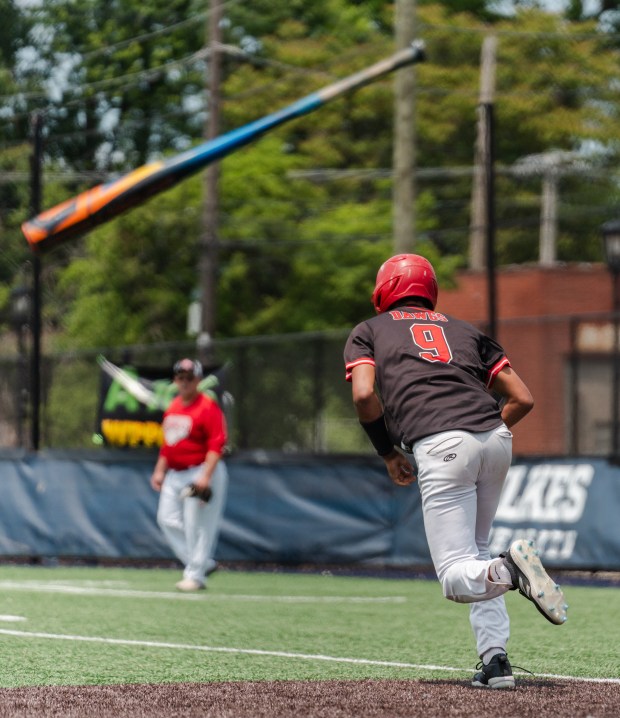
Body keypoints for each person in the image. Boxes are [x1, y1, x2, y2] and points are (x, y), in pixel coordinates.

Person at [344, 254, 567, 689]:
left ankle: (510, 568)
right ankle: (496, 662)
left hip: (441, 443)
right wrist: (486, 433)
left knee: (454, 576)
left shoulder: (368, 331)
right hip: (495, 438)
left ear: (384, 290)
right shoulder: (466, 330)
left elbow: (364, 394)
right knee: (475, 553)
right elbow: (523, 398)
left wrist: (388, 452)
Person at [150, 358, 228, 592]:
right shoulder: (174, 406)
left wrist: (206, 476)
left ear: (198, 380)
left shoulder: (207, 406)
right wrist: (159, 469)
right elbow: (169, 443)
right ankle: (204, 563)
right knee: (167, 519)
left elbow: (217, 444)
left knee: (197, 524)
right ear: (175, 380)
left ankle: (195, 576)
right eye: (180, 378)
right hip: (176, 473)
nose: (185, 382)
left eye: (189, 378)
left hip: (202, 469)